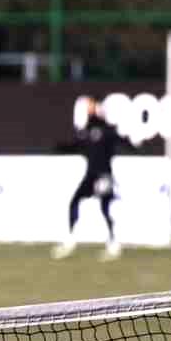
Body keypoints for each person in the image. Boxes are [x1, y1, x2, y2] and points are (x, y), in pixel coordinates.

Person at [52, 96, 124, 261]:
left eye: (91, 107)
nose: (88, 110)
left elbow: (119, 140)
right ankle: (69, 241)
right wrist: (60, 147)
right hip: (91, 175)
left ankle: (113, 243)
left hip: (104, 175)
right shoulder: (88, 130)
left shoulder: (106, 130)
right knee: (75, 201)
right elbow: (76, 144)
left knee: (105, 208)